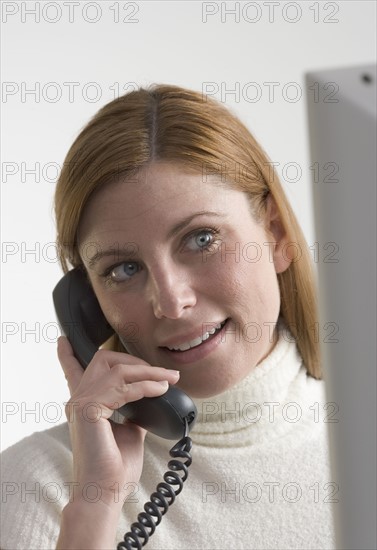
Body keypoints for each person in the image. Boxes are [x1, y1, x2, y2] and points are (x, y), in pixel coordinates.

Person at [1, 84, 336, 549]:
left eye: (201, 239)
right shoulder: (34, 486)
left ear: (276, 235)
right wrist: (95, 507)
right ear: (89, 304)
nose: (171, 301)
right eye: (124, 269)